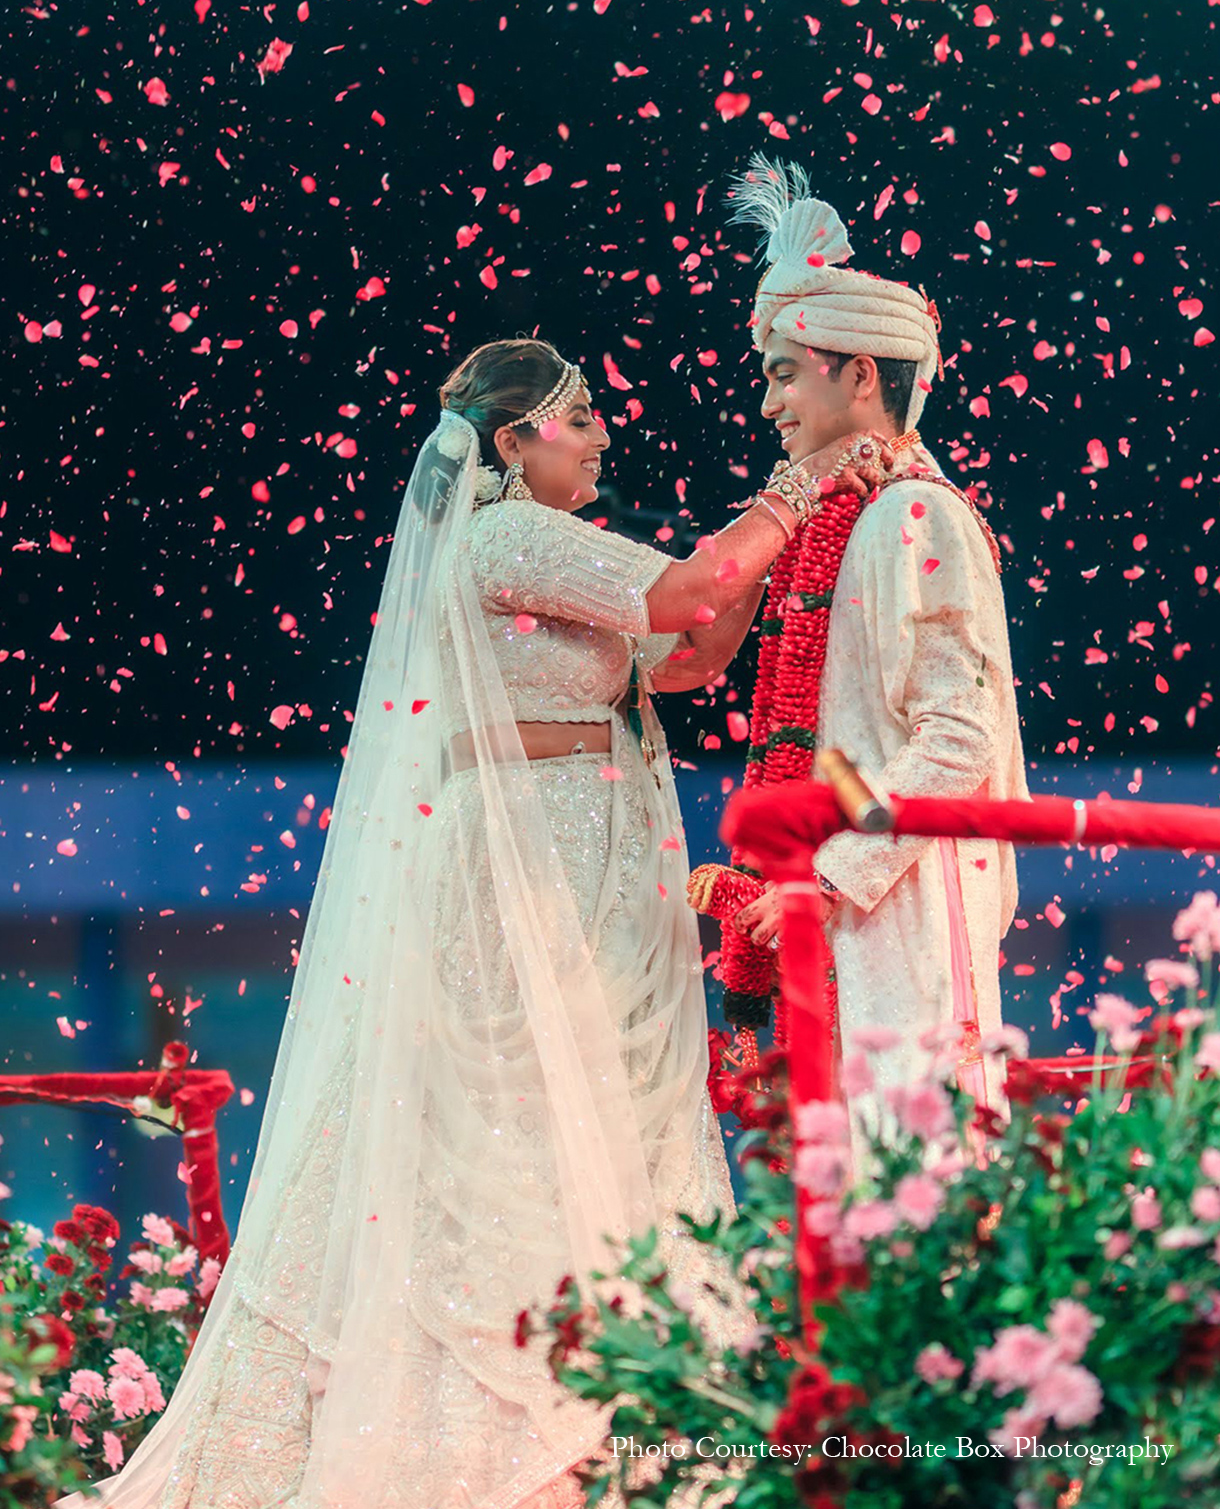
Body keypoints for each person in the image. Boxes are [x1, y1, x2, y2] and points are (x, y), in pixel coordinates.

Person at [57, 337, 875, 1509]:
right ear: (511, 443)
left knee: (570, 1122)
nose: (601, 434)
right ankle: (481, 1431)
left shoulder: (564, 550)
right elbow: (690, 590)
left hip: (584, 860)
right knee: (504, 1128)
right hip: (519, 875)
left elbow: (689, 650)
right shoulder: (504, 537)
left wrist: (765, 567)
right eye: (579, 417)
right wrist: (800, 489)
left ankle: (593, 1403)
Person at [689, 155, 1029, 1158]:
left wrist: (831, 873)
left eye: (783, 374)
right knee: (855, 1210)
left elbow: (957, 739)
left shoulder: (915, 513)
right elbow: (858, 746)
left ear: (861, 373)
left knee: (919, 1192)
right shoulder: (852, 521)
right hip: (856, 910)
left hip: (906, 907)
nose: (766, 405)